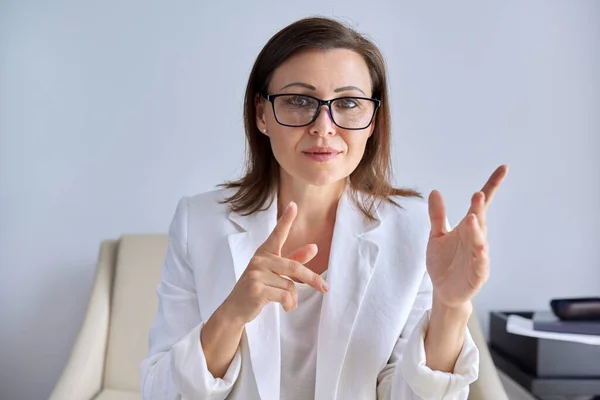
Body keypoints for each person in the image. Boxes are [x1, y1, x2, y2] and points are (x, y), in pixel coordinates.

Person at [140, 16, 508, 400]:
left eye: (348, 103)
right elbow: (160, 392)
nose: (323, 126)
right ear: (261, 114)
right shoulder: (198, 222)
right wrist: (232, 314)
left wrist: (450, 307)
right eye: (299, 101)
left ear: (373, 121)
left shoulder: (415, 229)